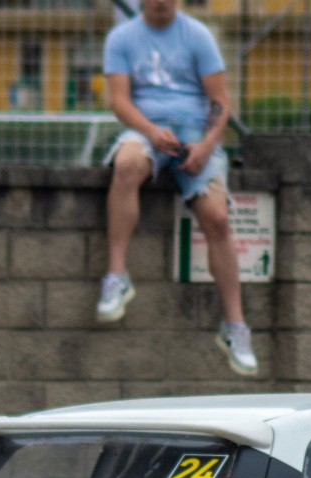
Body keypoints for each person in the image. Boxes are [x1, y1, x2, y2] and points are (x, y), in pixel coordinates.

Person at [97, 0, 256, 377]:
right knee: (126, 165)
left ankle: (235, 326)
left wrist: (205, 146)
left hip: (194, 135)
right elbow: (119, 101)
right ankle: (117, 277)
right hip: (146, 130)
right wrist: (151, 132)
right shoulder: (122, 37)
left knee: (217, 217)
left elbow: (219, 102)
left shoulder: (198, 35)